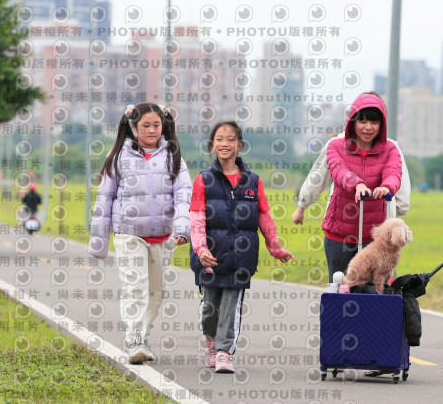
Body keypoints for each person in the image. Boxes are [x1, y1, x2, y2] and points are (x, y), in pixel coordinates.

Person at [88, 103, 191, 364]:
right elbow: (104, 198)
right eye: (145, 125)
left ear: (163, 126)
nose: (152, 130)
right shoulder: (118, 156)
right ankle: (134, 340)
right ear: (134, 127)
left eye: (156, 125)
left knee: (155, 293)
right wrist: (99, 242)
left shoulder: (173, 157)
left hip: (162, 237)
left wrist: (182, 229)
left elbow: (183, 196)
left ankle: (142, 337)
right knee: (136, 288)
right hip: (129, 234)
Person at [189, 121, 294, 374]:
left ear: (240, 145)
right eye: (219, 139)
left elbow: (264, 216)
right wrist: (201, 249)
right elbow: (196, 217)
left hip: (241, 257)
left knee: (231, 306)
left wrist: (275, 247)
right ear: (212, 145)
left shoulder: (253, 181)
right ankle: (211, 341)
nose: (224, 144)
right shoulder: (203, 179)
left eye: (230, 139)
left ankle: (224, 351)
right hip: (210, 256)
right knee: (210, 307)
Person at [319, 92, 402, 282]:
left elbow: (394, 172)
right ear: (352, 122)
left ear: (382, 125)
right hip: (339, 234)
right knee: (339, 285)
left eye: (374, 122)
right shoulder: (336, 146)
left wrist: (387, 187)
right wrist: (357, 184)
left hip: (374, 238)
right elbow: (338, 170)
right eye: (362, 121)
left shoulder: (390, 149)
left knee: (372, 289)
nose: (368, 127)